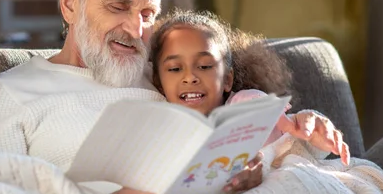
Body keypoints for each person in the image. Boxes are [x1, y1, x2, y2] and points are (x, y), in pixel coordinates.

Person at [0, 0, 350, 194]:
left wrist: (254, 171)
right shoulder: (13, 95)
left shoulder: (168, 74)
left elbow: (261, 143)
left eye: (148, 13)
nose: (135, 29)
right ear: (70, 3)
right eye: (119, 6)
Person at [150, 9, 350, 166]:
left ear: (228, 79)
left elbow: (292, 138)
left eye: (204, 66)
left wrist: (310, 133)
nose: (190, 77)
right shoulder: (160, 129)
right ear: (159, 83)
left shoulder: (248, 105)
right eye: (175, 68)